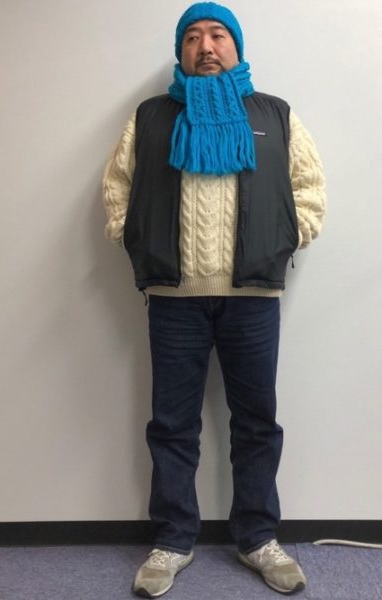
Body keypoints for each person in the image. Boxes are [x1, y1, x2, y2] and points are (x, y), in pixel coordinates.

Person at [102, 2, 326, 597]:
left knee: (256, 423)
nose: (206, 46)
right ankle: (173, 541)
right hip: (174, 298)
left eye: (218, 34)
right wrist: (135, 236)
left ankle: (258, 537)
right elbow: (118, 187)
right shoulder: (151, 117)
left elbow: (309, 188)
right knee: (172, 425)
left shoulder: (274, 114)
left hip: (252, 296)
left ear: (236, 47)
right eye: (193, 37)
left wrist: (286, 237)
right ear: (181, 51)